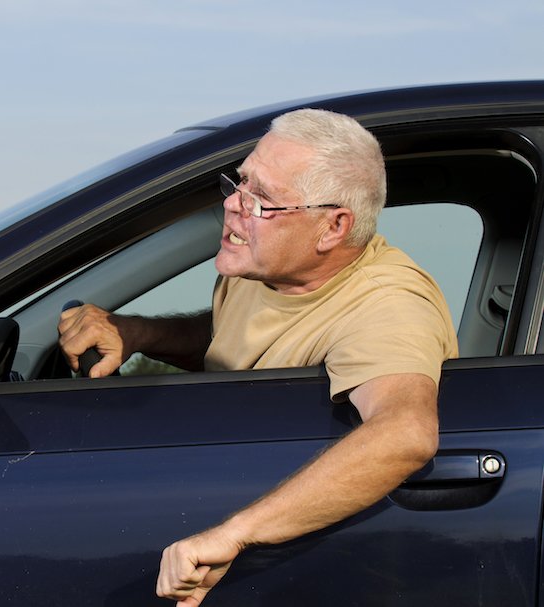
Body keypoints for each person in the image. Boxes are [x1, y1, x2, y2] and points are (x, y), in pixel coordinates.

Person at [57, 108, 459, 606]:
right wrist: (136, 332)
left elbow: (407, 433)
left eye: (262, 198)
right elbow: (229, 334)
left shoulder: (386, 305)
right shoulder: (268, 268)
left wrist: (235, 534)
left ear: (333, 227)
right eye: (239, 183)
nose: (233, 206)